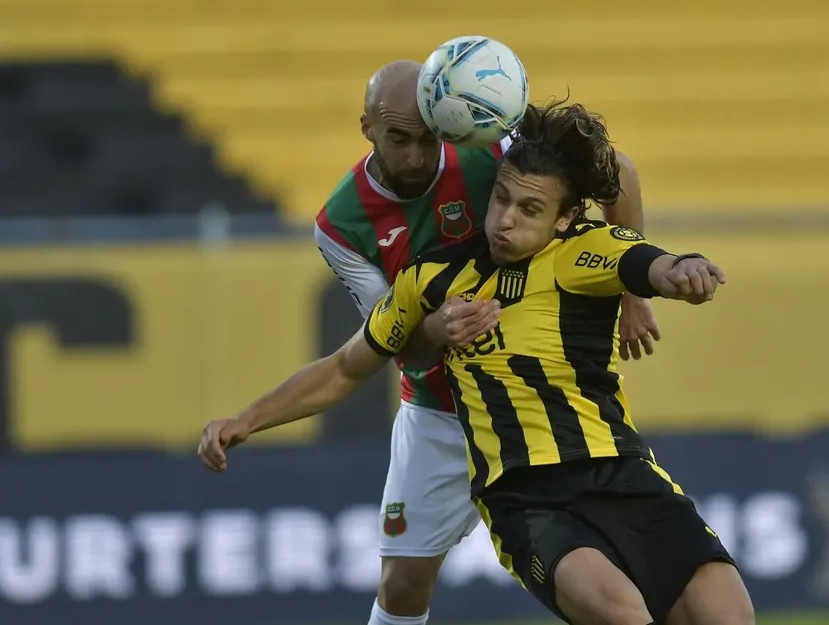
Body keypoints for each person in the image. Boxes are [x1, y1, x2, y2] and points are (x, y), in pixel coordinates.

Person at [199, 98, 754, 625]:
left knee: (725, 612)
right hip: (523, 491)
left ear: (564, 219)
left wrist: (681, 272)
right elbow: (349, 365)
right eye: (501, 200)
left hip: (621, 470)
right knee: (618, 612)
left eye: (530, 208)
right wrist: (245, 419)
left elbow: (648, 259)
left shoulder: (581, 251)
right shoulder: (428, 279)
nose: (506, 219)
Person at [310, 60, 658, 625]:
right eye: (399, 139)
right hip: (439, 410)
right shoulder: (340, 224)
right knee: (401, 584)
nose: (418, 156)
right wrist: (433, 329)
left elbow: (616, 170)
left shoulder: (489, 147)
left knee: (616, 575)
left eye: (428, 137)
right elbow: (391, 341)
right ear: (367, 128)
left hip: (536, 397)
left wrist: (631, 292)